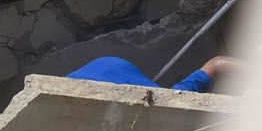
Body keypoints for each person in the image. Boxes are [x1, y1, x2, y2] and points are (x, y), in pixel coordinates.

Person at [67, 55, 241, 93]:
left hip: (79, 79)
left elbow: (217, 63)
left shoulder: (174, 95)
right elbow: (217, 64)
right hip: (105, 67)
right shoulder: (173, 97)